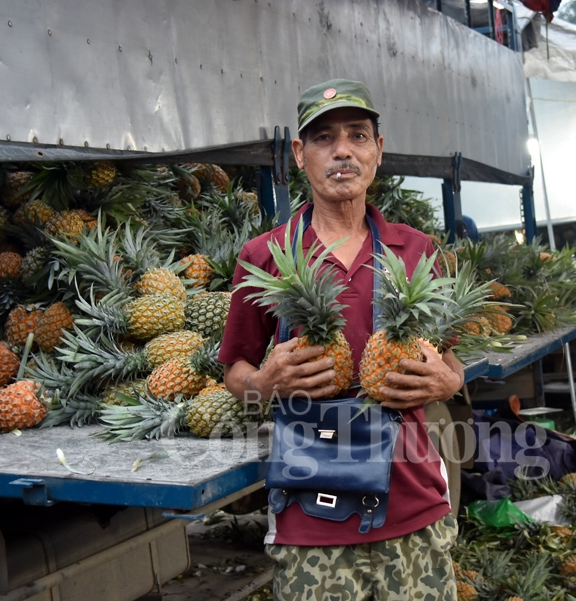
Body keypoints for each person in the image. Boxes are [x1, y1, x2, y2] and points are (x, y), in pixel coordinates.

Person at [218, 79, 464, 600]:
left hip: (413, 505)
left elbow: (450, 361)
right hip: (311, 513)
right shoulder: (264, 256)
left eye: (358, 135)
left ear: (378, 149)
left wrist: (447, 382)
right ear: (299, 154)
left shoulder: (419, 250)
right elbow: (235, 372)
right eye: (325, 138)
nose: (343, 151)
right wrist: (265, 381)